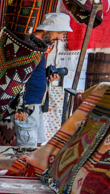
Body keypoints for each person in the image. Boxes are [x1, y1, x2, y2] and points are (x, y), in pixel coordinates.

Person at [14, 12, 73, 146]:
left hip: (36, 103)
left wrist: (45, 77)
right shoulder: (29, 46)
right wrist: (21, 106)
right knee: (27, 148)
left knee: (39, 143)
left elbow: (31, 73)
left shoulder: (40, 47)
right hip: (26, 105)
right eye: (59, 33)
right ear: (47, 30)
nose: (61, 38)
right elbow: (18, 75)